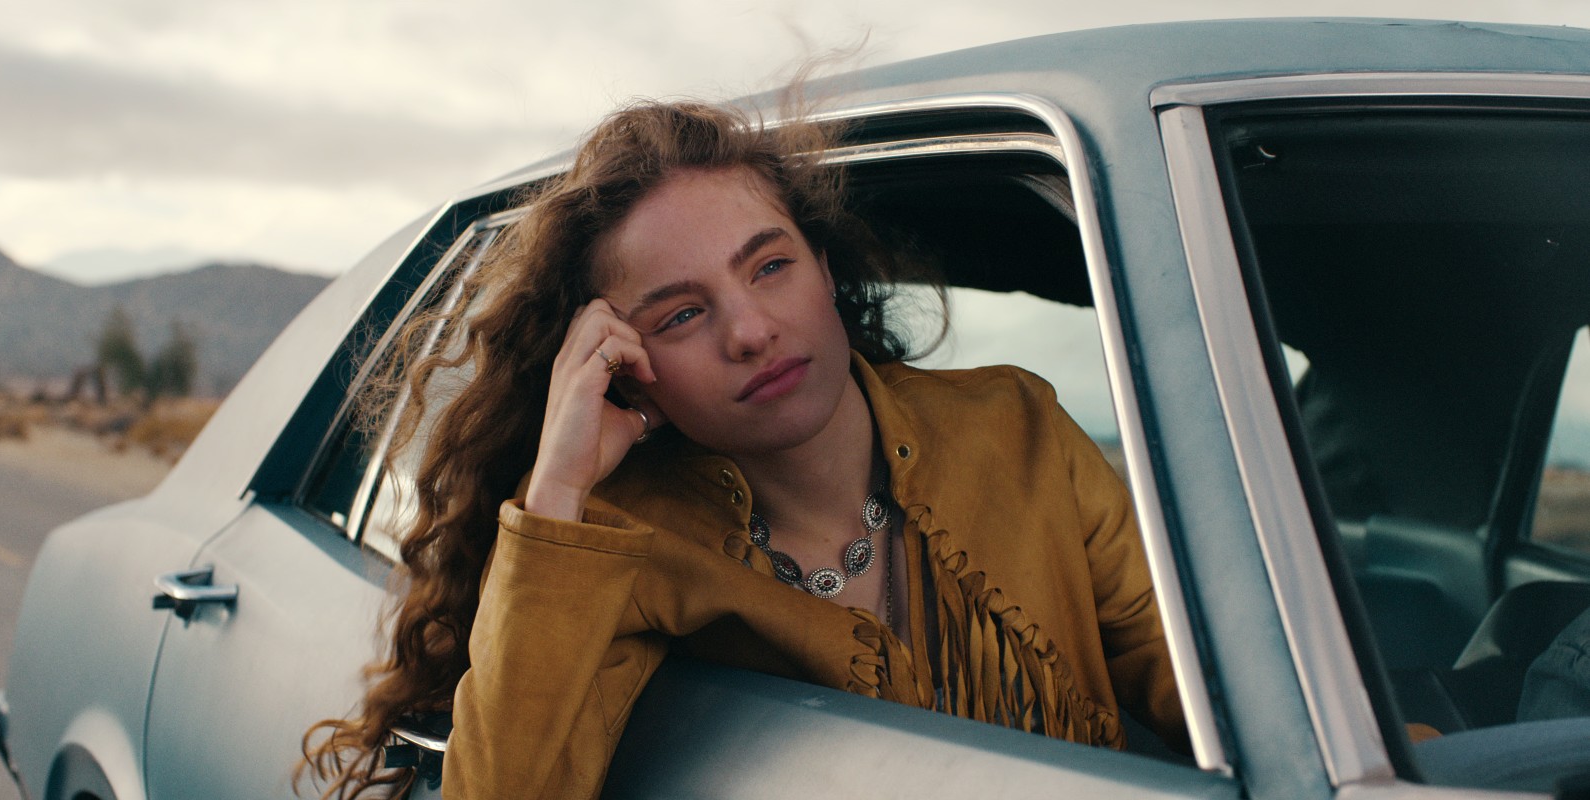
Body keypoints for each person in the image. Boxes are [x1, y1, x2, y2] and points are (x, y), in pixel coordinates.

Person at [301, 98, 1186, 799]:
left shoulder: (1016, 424)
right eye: (681, 315)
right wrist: (559, 485)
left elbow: (1203, 689)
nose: (752, 332)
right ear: (629, 370)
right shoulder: (628, 539)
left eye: (771, 266)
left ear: (827, 269)